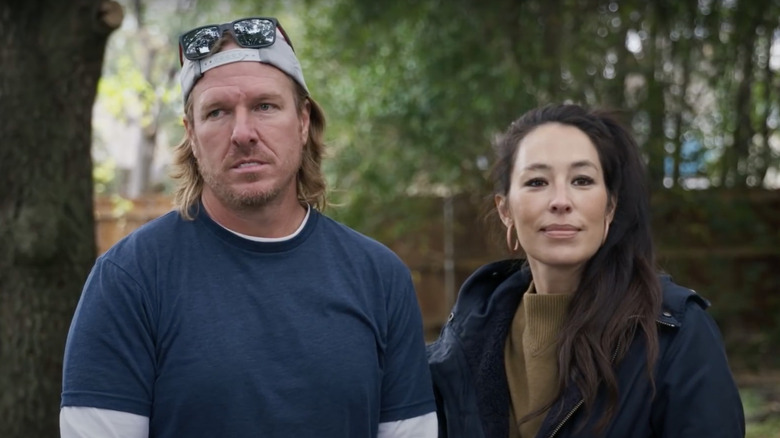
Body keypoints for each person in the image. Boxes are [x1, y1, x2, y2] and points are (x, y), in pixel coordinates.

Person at [60, 16, 436, 438]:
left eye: (265, 106)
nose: (243, 133)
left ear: (303, 121)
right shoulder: (128, 281)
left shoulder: (380, 278)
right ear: (191, 134)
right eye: (217, 112)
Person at [427, 104, 745, 438]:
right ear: (505, 210)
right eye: (537, 182)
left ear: (610, 206)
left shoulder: (675, 332)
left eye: (582, 180)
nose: (560, 201)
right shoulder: (467, 339)